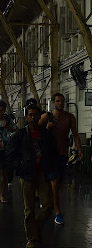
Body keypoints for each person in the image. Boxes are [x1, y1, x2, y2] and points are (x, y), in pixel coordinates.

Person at [6, 104, 58, 248]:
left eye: (35, 115)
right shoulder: (20, 135)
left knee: (47, 205)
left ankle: (34, 229)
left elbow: (53, 151)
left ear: (39, 116)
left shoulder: (46, 134)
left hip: (42, 173)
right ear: (26, 116)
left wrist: (50, 167)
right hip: (27, 174)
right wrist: (20, 166)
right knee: (29, 208)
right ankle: (32, 238)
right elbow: (10, 154)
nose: (33, 118)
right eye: (30, 115)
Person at [39, 93, 84, 225]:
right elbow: (35, 129)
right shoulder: (47, 117)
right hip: (50, 155)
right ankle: (57, 212)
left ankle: (47, 201)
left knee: (57, 184)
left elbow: (75, 134)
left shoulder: (70, 118)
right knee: (54, 182)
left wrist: (79, 149)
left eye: (62, 101)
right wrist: (46, 129)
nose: (60, 103)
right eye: (58, 101)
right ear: (53, 102)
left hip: (63, 155)